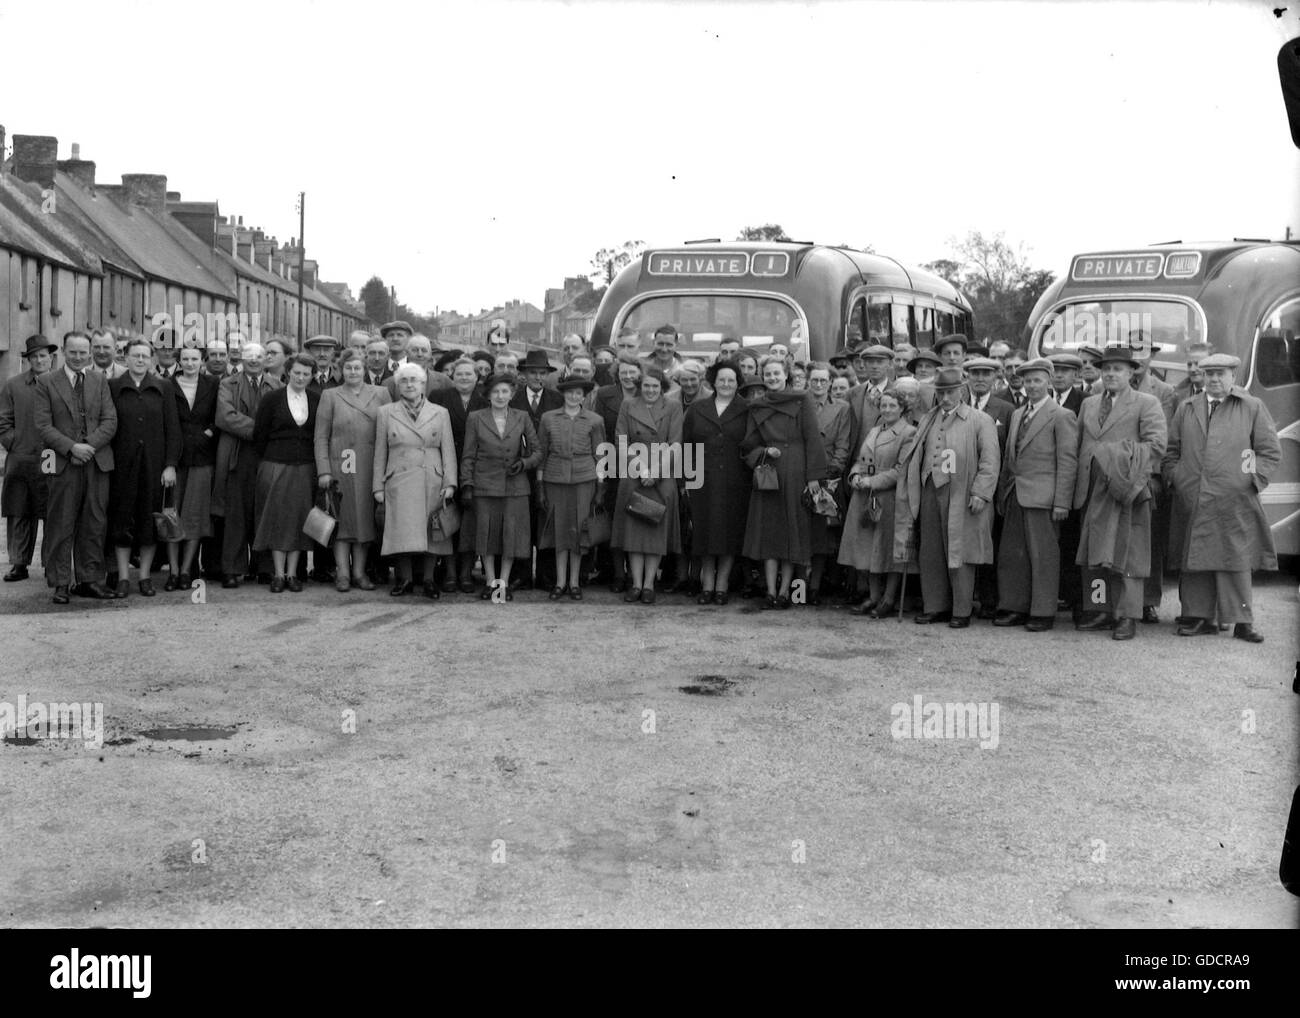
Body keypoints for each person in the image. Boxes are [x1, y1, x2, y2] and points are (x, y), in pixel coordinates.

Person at [1163, 353, 1280, 642]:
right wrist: (1178, 478)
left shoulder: (1251, 406)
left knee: (1236, 559)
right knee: (1195, 558)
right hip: (1194, 497)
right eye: (1210, 374)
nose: (1214, 379)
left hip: (1234, 499)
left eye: (1221, 374)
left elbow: (1267, 451)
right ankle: (1199, 617)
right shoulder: (1187, 408)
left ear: (1233, 376)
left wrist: (1248, 479)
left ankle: (1242, 622)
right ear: (1202, 376)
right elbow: (1172, 450)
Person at [1073, 346, 1167, 641]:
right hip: (1091, 489)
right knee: (1094, 553)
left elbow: (1156, 447)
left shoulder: (1146, 403)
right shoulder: (1089, 404)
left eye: (1118, 369)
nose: (1111, 374)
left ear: (1131, 372)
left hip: (1127, 490)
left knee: (1128, 554)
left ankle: (1127, 615)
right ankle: (1100, 610)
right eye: (1106, 369)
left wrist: (1117, 461)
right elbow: (1079, 445)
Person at [895, 366, 999, 627]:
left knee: (960, 549)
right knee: (931, 550)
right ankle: (935, 606)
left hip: (962, 492)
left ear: (962, 391)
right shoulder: (929, 418)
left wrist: (981, 492)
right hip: (931, 488)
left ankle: (961, 610)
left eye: (951, 392)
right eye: (941, 392)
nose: (945, 398)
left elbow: (990, 461)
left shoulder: (979, 420)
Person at [33, 331, 118, 603]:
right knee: (61, 522)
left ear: (90, 353)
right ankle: (60, 583)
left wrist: (88, 446)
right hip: (62, 463)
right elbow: (43, 426)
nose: (79, 357)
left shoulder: (99, 380)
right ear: (64, 353)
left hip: (96, 462)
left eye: (84, 352)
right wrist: (72, 448)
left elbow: (110, 420)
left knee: (94, 522)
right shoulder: (46, 382)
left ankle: (89, 580)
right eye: (74, 352)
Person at [993, 359, 1078, 631]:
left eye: (1037, 380)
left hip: (1044, 497)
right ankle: (1014, 606)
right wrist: (1003, 494)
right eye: (1028, 381)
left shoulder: (1061, 416)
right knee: (1013, 554)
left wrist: (1062, 502)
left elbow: (1067, 462)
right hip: (1015, 493)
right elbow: (1009, 458)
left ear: (1049, 382)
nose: (1031, 386)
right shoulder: (1018, 414)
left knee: (1043, 556)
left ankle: (1042, 611)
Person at [740, 356, 829, 608]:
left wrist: (813, 478)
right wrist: (764, 454)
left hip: (796, 470)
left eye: (776, 374)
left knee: (792, 533)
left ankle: (785, 592)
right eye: (767, 374)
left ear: (786, 374)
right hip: (769, 472)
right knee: (769, 533)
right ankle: (770, 592)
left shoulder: (802, 400)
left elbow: (813, 439)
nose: (772, 378)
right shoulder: (757, 406)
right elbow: (748, 445)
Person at [372, 363, 458, 598]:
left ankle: (429, 580)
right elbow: (380, 451)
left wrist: (450, 482)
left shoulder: (440, 412)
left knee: (433, 532)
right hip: (399, 478)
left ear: (423, 384)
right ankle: (405, 579)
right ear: (397, 385)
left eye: (414, 380)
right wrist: (378, 487)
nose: (409, 384)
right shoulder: (386, 412)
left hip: (431, 477)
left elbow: (447, 449)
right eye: (404, 380)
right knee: (401, 531)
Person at [105, 339, 181, 597]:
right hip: (122, 466)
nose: (140, 360)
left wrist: (170, 465)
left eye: (145, 356)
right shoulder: (113, 387)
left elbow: (173, 429)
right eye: (135, 355)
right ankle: (124, 577)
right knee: (122, 519)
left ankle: (145, 576)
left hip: (154, 466)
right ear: (125, 357)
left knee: (150, 520)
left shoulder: (163, 387)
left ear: (152, 360)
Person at [314, 348, 391, 592]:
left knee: (364, 521)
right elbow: (320, 436)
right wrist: (324, 470)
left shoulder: (381, 393)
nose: (353, 372)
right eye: (348, 368)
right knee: (342, 521)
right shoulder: (330, 395)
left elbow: (391, 431)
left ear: (365, 368)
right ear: (341, 369)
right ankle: (343, 573)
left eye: (358, 367)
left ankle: (359, 572)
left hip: (370, 465)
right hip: (341, 465)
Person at [459, 374, 540, 600]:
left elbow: (538, 451)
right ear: (487, 395)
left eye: (505, 392)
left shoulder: (522, 417)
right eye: (495, 392)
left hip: (516, 487)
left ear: (512, 394)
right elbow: (468, 455)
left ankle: (503, 584)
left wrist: (523, 464)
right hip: (485, 486)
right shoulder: (476, 418)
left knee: (510, 536)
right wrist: (467, 484)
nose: (500, 396)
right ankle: (490, 582)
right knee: (486, 535)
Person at [839, 388, 916, 617]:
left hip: (890, 498)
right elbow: (862, 460)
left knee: (889, 549)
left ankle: (888, 599)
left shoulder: (908, 433)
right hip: (865, 496)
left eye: (893, 405)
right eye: (884, 405)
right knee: (868, 548)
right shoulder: (874, 430)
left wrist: (871, 481)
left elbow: (901, 470)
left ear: (902, 408)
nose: (887, 410)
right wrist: (854, 475)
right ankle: (873, 597)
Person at [611, 366, 683, 604]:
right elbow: (621, 440)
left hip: (661, 477)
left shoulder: (673, 407)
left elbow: (675, 443)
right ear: (640, 386)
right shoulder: (628, 405)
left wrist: (656, 471)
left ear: (662, 388)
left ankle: (650, 584)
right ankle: (636, 583)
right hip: (634, 475)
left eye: (655, 386)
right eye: (646, 385)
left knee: (654, 532)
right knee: (634, 533)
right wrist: (641, 469)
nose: (650, 390)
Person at [214, 343, 282, 588]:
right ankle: (232, 568)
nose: (254, 360)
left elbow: (281, 416)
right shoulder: (228, 384)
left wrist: (265, 433)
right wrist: (261, 430)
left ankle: (264, 567)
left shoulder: (278, 386)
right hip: (237, 454)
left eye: (259, 356)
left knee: (265, 509)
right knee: (236, 512)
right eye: (249, 356)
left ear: (266, 359)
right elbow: (225, 417)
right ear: (241, 358)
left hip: (267, 455)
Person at [682, 360, 750, 604]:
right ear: (713, 381)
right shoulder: (698, 408)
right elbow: (687, 446)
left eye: (731, 380)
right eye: (722, 379)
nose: (726, 384)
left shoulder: (746, 409)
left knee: (729, 533)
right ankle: (707, 584)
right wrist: (687, 480)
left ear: (738, 382)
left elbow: (751, 445)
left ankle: (722, 584)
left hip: (736, 481)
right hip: (703, 481)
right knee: (705, 532)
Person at [251, 354, 319, 592]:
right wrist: (272, 459)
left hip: (305, 468)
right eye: (297, 372)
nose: (301, 377)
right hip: (275, 465)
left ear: (312, 376)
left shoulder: (316, 399)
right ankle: (277, 574)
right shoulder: (272, 398)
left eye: (306, 374)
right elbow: (259, 434)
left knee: (300, 519)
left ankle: (293, 574)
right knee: (276, 518)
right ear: (288, 372)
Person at [537, 376, 606, 599]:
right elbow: (542, 453)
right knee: (559, 531)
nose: (574, 397)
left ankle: (575, 582)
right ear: (563, 394)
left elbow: (600, 454)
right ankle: (559, 582)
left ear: (584, 396)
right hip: (554, 479)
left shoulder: (595, 420)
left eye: (578, 393)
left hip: (584, 480)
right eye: (570, 392)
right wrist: (540, 483)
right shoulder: (548, 418)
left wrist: (600, 486)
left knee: (578, 531)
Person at [0, 334, 57, 582]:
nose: (39, 360)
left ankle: (50, 562)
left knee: (51, 508)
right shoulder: (13, 386)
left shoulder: (60, 384)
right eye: (34, 356)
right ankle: (18, 563)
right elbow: (3, 421)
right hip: (21, 456)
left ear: (51, 359)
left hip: (50, 455)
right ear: (27, 360)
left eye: (43, 356)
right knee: (19, 509)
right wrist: (15, 442)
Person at [165, 345, 219, 591]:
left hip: (202, 458)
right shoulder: (168, 386)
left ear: (202, 361)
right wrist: (169, 463)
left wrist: (208, 433)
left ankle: (187, 570)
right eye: (185, 359)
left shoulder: (213, 385)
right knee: (172, 516)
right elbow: (164, 423)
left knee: (195, 517)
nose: (189, 363)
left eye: (194, 359)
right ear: (179, 361)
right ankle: (173, 571)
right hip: (174, 460)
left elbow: (219, 417)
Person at [432, 358, 489, 592]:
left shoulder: (484, 401)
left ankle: (466, 573)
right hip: (445, 461)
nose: (464, 378)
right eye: (459, 374)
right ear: (452, 377)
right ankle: (450, 573)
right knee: (448, 517)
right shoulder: (439, 397)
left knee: (470, 523)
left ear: (477, 378)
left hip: (476, 466)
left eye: (469, 374)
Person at [510, 350, 563, 590]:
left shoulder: (557, 400)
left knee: (546, 520)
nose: (538, 378)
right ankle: (520, 575)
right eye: (533, 373)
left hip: (549, 469)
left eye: (542, 373)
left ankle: (546, 575)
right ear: (524, 374)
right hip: (519, 470)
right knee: (521, 522)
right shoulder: (512, 399)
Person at [591, 357, 641, 591]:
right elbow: (598, 430)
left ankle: (636, 573)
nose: (628, 376)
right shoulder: (605, 394)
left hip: (640, 465)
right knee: (614, 519)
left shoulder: (648, 393)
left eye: (632, 372)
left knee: (638, 519)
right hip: (612, 462)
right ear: (616, 373)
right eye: (623, 372)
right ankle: (617, 573)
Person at [806, 362, 852, 603]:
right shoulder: (800, 404)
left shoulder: (842, 408)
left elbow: (843, 443)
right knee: (802, 534)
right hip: (803, 474)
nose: (819, 385)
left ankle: (815, 588)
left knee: (824, 535)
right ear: (808, 381)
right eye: (815, 380)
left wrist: (833, 474)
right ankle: (798, 589)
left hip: (828, 478)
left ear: (831, 382)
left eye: (824, 380)